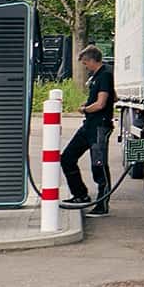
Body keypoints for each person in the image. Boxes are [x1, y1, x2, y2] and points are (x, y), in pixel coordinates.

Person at [59, 45, 115, 217]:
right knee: (67, 157)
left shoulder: (104, 75)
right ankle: (80, 194)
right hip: (89, 125)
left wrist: (85, 109)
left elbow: (101, 103)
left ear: (92, 60)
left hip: (99, 126)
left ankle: (102, 204)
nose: (85, 67)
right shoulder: (97, 76)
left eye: (85, 63)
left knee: (98, 164)